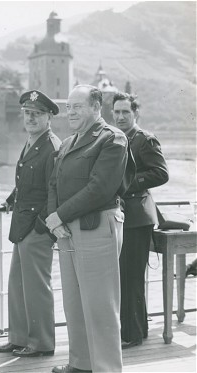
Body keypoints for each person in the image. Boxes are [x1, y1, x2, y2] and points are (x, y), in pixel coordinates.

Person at [46, 85, 131, 373]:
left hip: (97, 229)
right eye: (68, 107)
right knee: (75, 304)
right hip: (67, 230)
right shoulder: (69, 143)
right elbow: (54, 184)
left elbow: (100, 188)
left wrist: (59, 215)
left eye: (77, 107)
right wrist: (54, 219)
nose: (70, 112)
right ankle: (81, 365)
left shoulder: (112, 139)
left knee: (100, 307)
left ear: (96, 108)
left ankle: (106, 368)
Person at [0, 90, 61, 357]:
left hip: (36, 227)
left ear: (49, 117)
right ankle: (19, 338)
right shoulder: (33, 141)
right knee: (17, 285)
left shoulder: (52, 146)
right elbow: (25, 184)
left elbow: (54, 190)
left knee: (36, 288)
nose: (31, 118)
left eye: (38, 114)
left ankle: (42, 343)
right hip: (23, 225)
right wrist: (10, 199)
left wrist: (42, 226)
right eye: (28, 113)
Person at [112, 92, 169, 349]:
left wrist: (127, 184)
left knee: (130, 276)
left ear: (136, 113)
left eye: (126, 112)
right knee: (123, 276)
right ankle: (138, 330)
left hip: (138, 216)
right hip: (122, 216)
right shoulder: (115, 139)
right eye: (117, 112)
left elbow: (161, 172)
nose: (121, 116)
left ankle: (132, 335)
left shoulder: (144, 140)